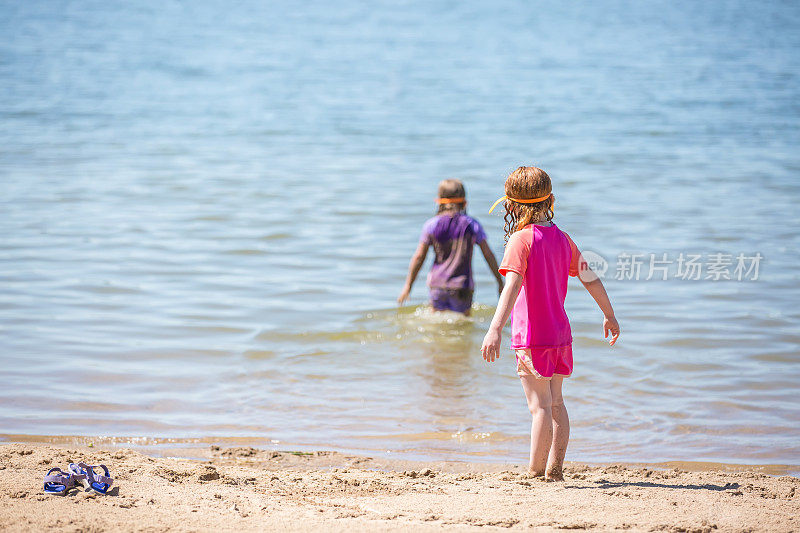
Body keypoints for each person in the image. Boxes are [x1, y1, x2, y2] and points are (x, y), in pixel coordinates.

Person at [480, 166, 620, 481]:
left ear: (511, 205)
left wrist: (494, 329)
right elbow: (590, 278)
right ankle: (554, 470)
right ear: (551, 200)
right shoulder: (563, 239)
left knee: (538, 407)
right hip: (560, 336)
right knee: (556, 402)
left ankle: (534, 471)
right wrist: (609, 314)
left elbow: (511, 287)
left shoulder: (520, 240)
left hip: (531, 338)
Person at [398, 179, 504, 315]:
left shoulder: (431, 224)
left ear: (438, 201)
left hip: (437, 285)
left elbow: (419, 257)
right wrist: (499, 281)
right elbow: (488, 254)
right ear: (464, 203)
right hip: (462, 286)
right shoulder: (472, 225)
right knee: (463, 325)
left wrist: (408, 285)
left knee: (437, 323)